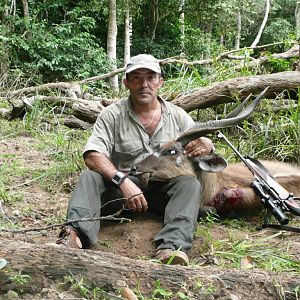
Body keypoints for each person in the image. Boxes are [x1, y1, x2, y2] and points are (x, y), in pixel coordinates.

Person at [56, 54, 214, 266]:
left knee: (189, 184)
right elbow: (93, 155)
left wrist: (207, 144)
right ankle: (75, 236)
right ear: (126, 83)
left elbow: (200, 141)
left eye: (150, 77)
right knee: (89, 178)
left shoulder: (178, 116)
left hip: (161, 192)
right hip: (120, 192)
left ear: (160, 82)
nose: (144, 84)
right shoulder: (111, 115)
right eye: (137, 78)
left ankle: (172, 247)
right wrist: (123, 181)